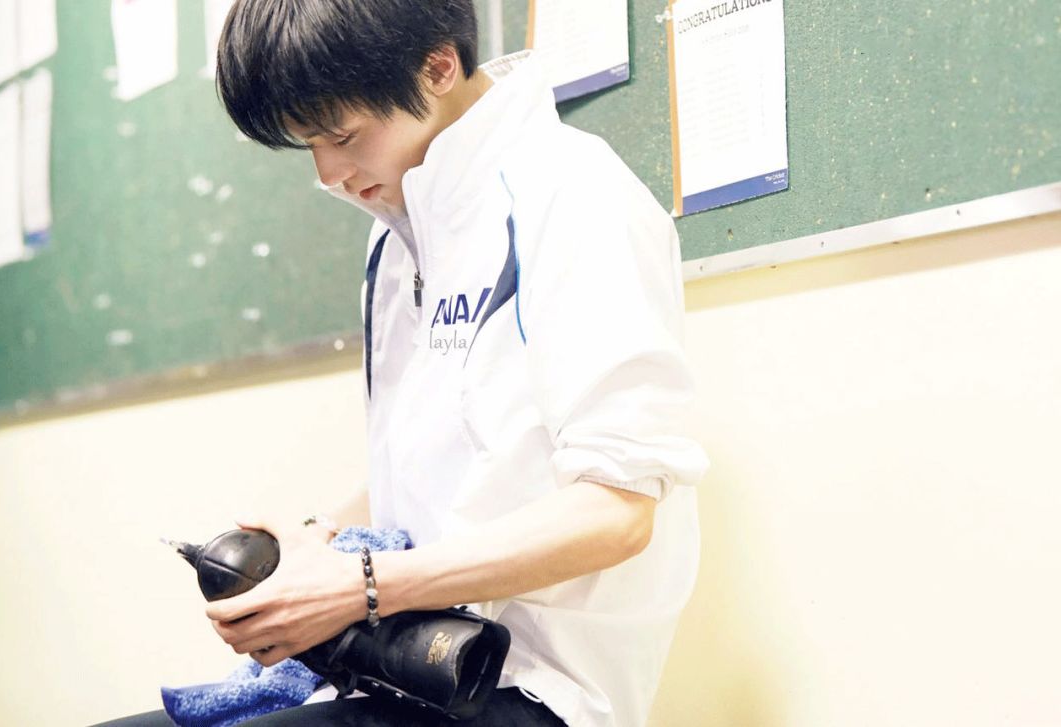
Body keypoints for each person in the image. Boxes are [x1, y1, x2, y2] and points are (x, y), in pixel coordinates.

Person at [99, 1, 706, 725]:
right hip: (398, 663)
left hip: (531, 688)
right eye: (309, 145)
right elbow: (433, 464)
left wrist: (361, 587)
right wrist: (318, 539)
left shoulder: (574, 195)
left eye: (343, 136)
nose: (330, 174)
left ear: (438, 66)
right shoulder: (397, 232)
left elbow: (616, 512)